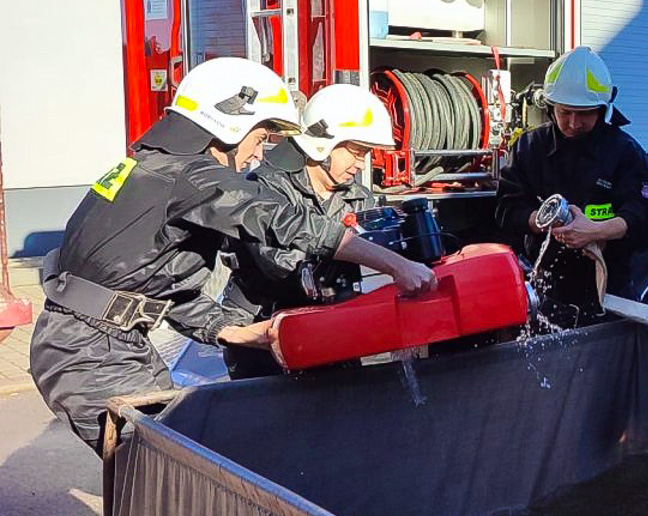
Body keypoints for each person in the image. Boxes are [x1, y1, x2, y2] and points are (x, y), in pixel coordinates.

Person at [29, 58, 436, 454]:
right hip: (93, 351)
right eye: (258, 139)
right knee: (170, 477)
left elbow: (162, 293)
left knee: (168, 475)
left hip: (105, 343)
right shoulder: (187, 175)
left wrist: (241, 332)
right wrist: (395, 264)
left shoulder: (157, 171)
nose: (257, 155)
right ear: (230, 123)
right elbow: (281, 221)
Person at [220, 83, 395, 378]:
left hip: (331, 329)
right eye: (355, 151)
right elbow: (279, 263)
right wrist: (348, 257)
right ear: (323, 145)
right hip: (262, 332)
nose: (360, 162)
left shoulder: (359, 198)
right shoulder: (266, 187)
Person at [495, 47, 648, 328]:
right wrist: (540, 221)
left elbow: (646, 216)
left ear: (602, 110)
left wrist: (595, 231)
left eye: (584, 114)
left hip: (608, 292)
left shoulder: (625, 151)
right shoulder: (529, 148)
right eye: (564, 112)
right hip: (547, 289)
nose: (573, 123)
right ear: (550, 107)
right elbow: (505, 208)